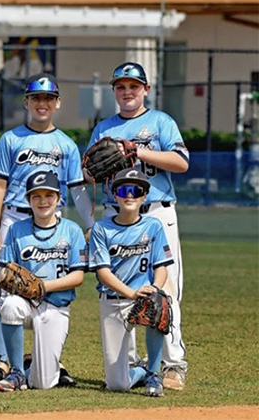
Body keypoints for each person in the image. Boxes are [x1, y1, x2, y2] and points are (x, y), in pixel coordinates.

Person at [0, 73, 93, 386]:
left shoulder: (66, 144)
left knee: (40, 289)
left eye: (48, 98)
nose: (42, 104)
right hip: (14, 218)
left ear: (57, 103)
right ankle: (3, 360)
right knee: (6, 288)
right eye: (36, 98)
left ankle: (36, 359)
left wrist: (90, 225)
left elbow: (77, 189)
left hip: (51, 219)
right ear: (27, 102)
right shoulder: (11, 139)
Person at [87, 61, 189, 390]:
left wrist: (138, 151)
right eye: (121, 86)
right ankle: (131, 364)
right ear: (114, 91)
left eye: (134, 86)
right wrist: (103, 164)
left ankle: (172, 365)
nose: (127, 92)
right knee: (121, 289)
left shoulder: (161, 121)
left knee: (166, 290)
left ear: (146, 89)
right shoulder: (103, 127)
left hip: (156, 211)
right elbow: (88, 172)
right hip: (115, 215)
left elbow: (181, 161)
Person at [0, 171, 86, 392]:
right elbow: (4, 271)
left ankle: (29, 366)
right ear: (28, 200)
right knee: (10, 305)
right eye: (36, 196)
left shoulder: (71, 230)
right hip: (26, 304)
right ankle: (15, 372)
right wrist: (3, 279)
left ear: (59, 198)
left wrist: (43, 287)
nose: (43, 201)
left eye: (49, 195)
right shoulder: (16, 229)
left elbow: (78, 276)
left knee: (43, 383)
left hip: (56, 306)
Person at [89, 169, 172, 397]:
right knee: (116, 384)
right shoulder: (101, 228)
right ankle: (142, 371)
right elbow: (103, 273)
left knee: (157, 306)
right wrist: (131, 293)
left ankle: (154, 373)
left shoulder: (153, 226)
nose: (130, 195)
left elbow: (161, 266)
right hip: (114, 300)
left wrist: (155, 288)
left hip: (143, 294)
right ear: (114, 196)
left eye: (136, 190)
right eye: (124, 190)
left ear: (144, 196)